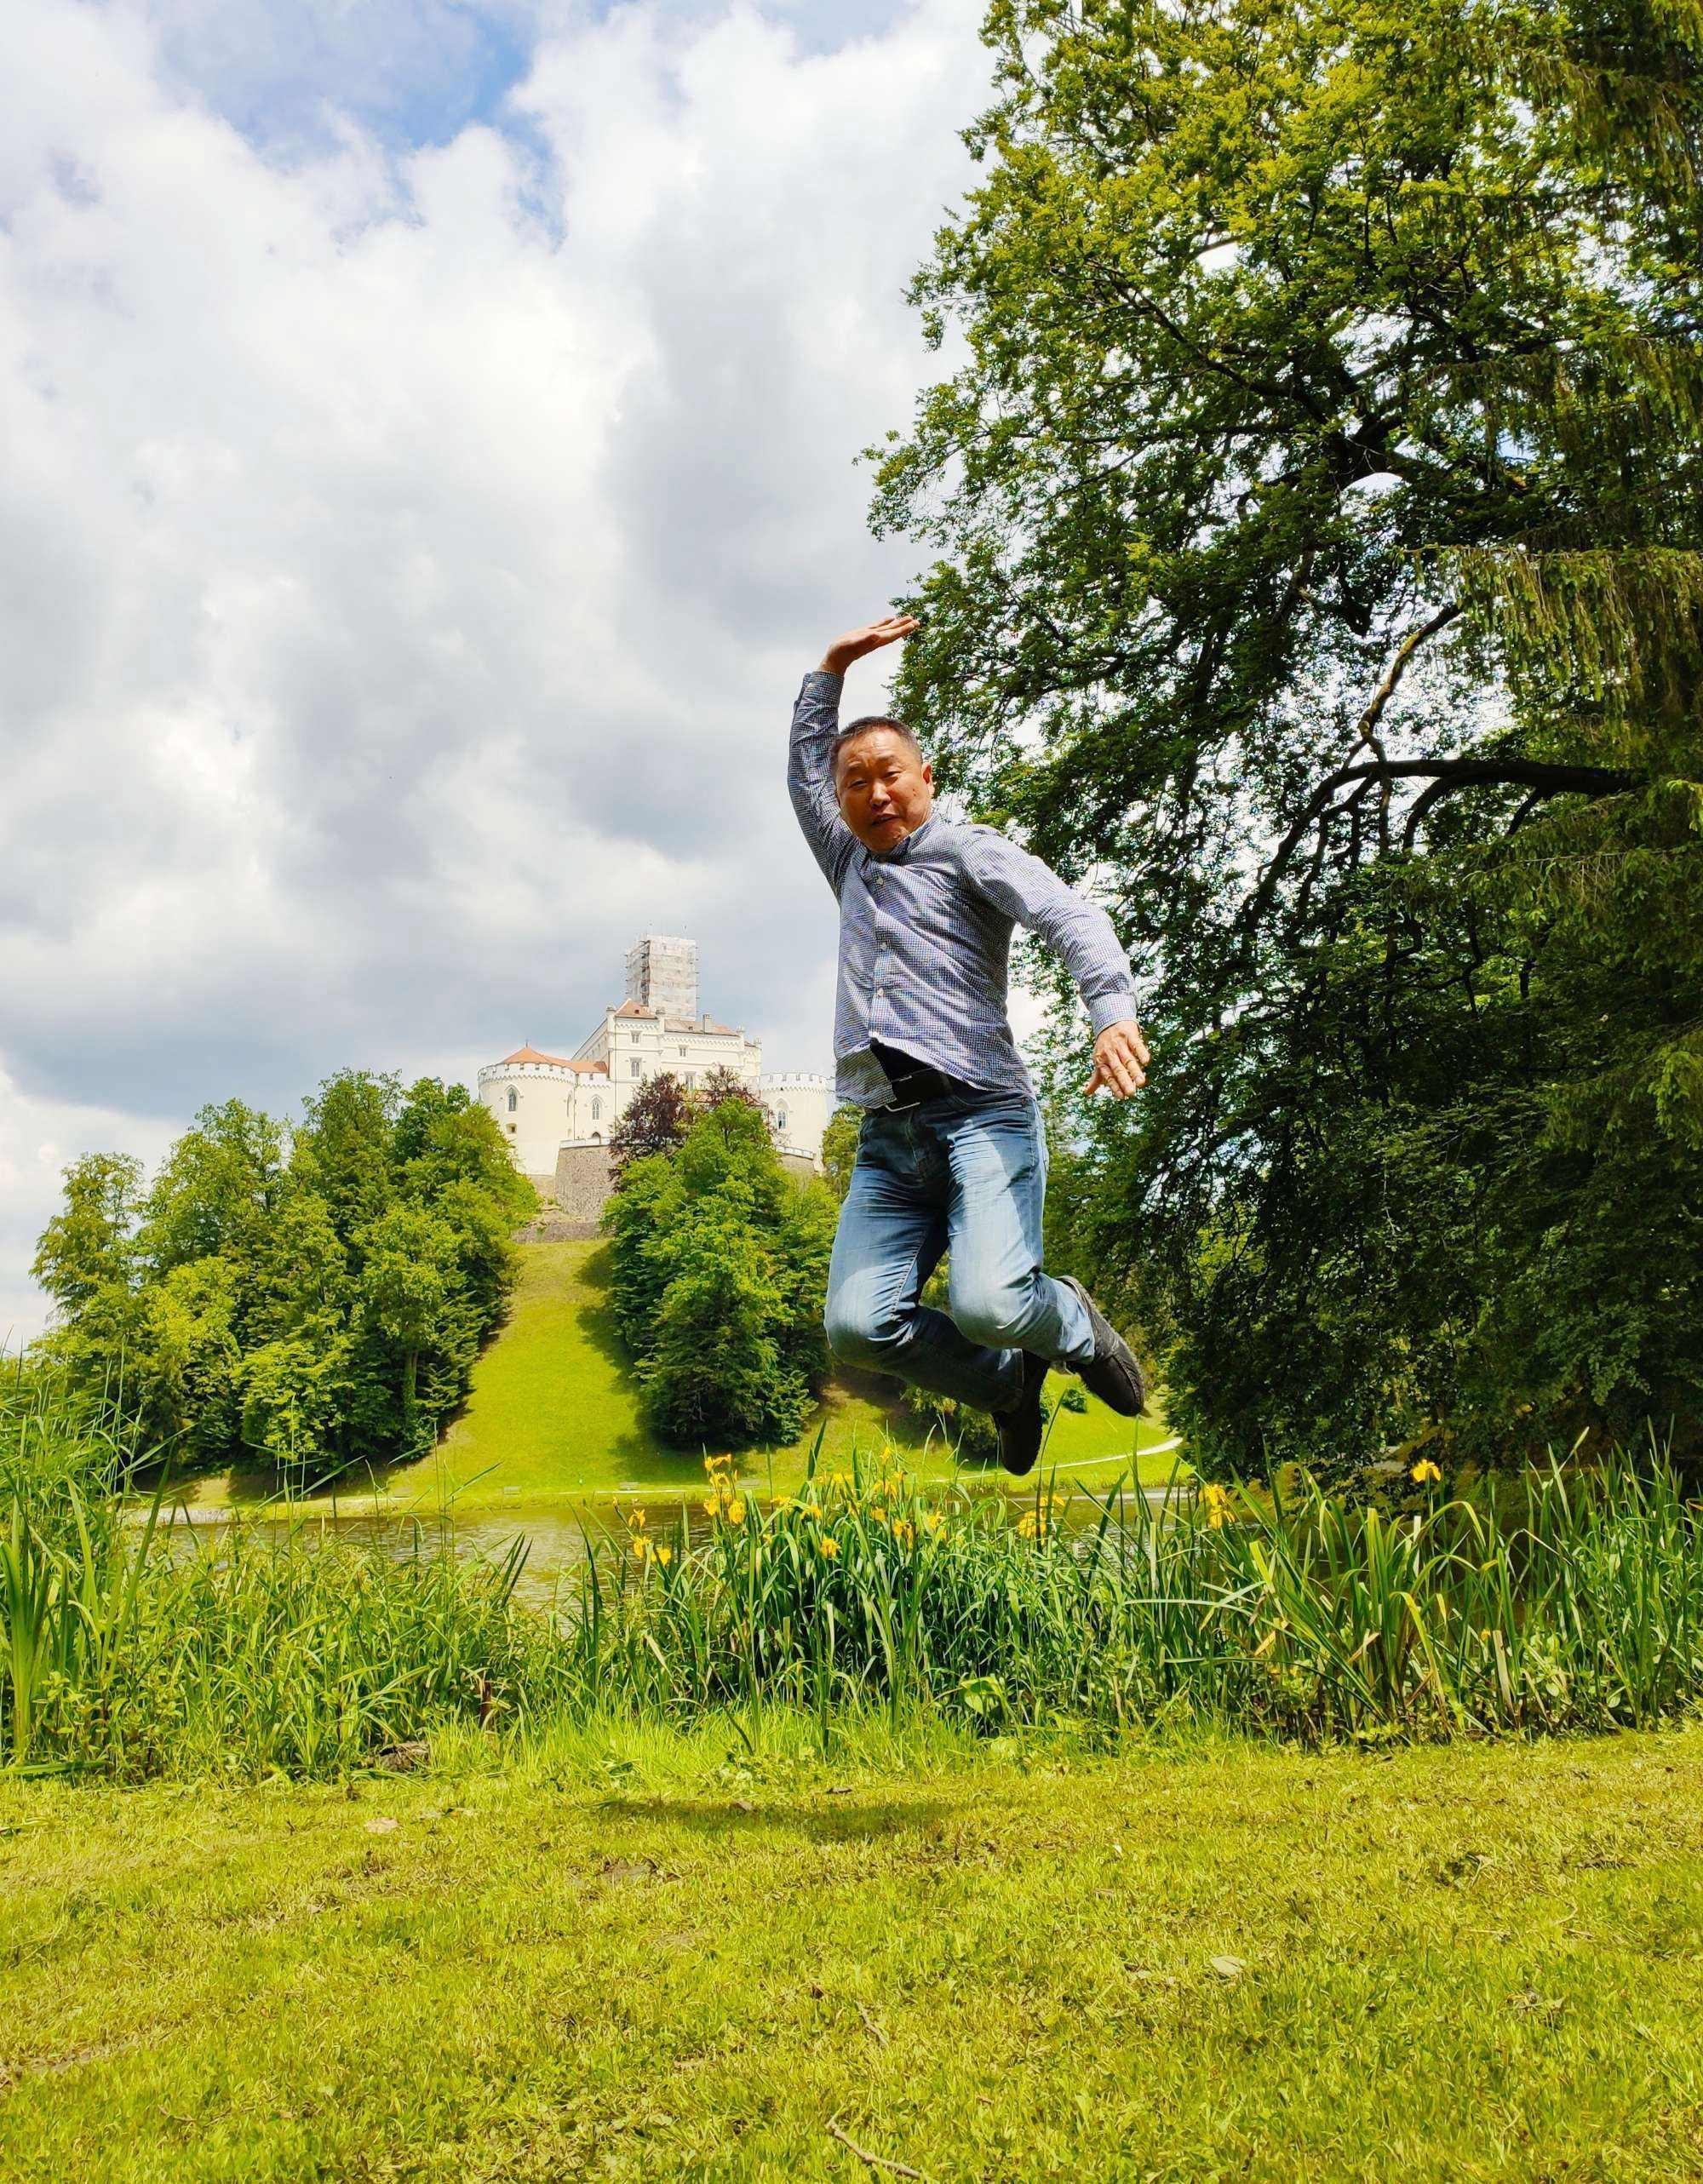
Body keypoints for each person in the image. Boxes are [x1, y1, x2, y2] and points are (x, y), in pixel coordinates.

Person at [789, 611, 1151, 1475]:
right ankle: (1003, 1388)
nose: (873, 794)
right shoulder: (846, 862)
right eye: (855, 783)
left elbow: (1065, 913)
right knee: (856, 1325)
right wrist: (830, 669)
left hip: (981, 1119)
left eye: (889, 776)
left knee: (992, 1302)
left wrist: (1110, 1009)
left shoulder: (965, 852)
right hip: (885, 1140)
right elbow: (804, 771)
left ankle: (1066, 1318)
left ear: (925, 778)